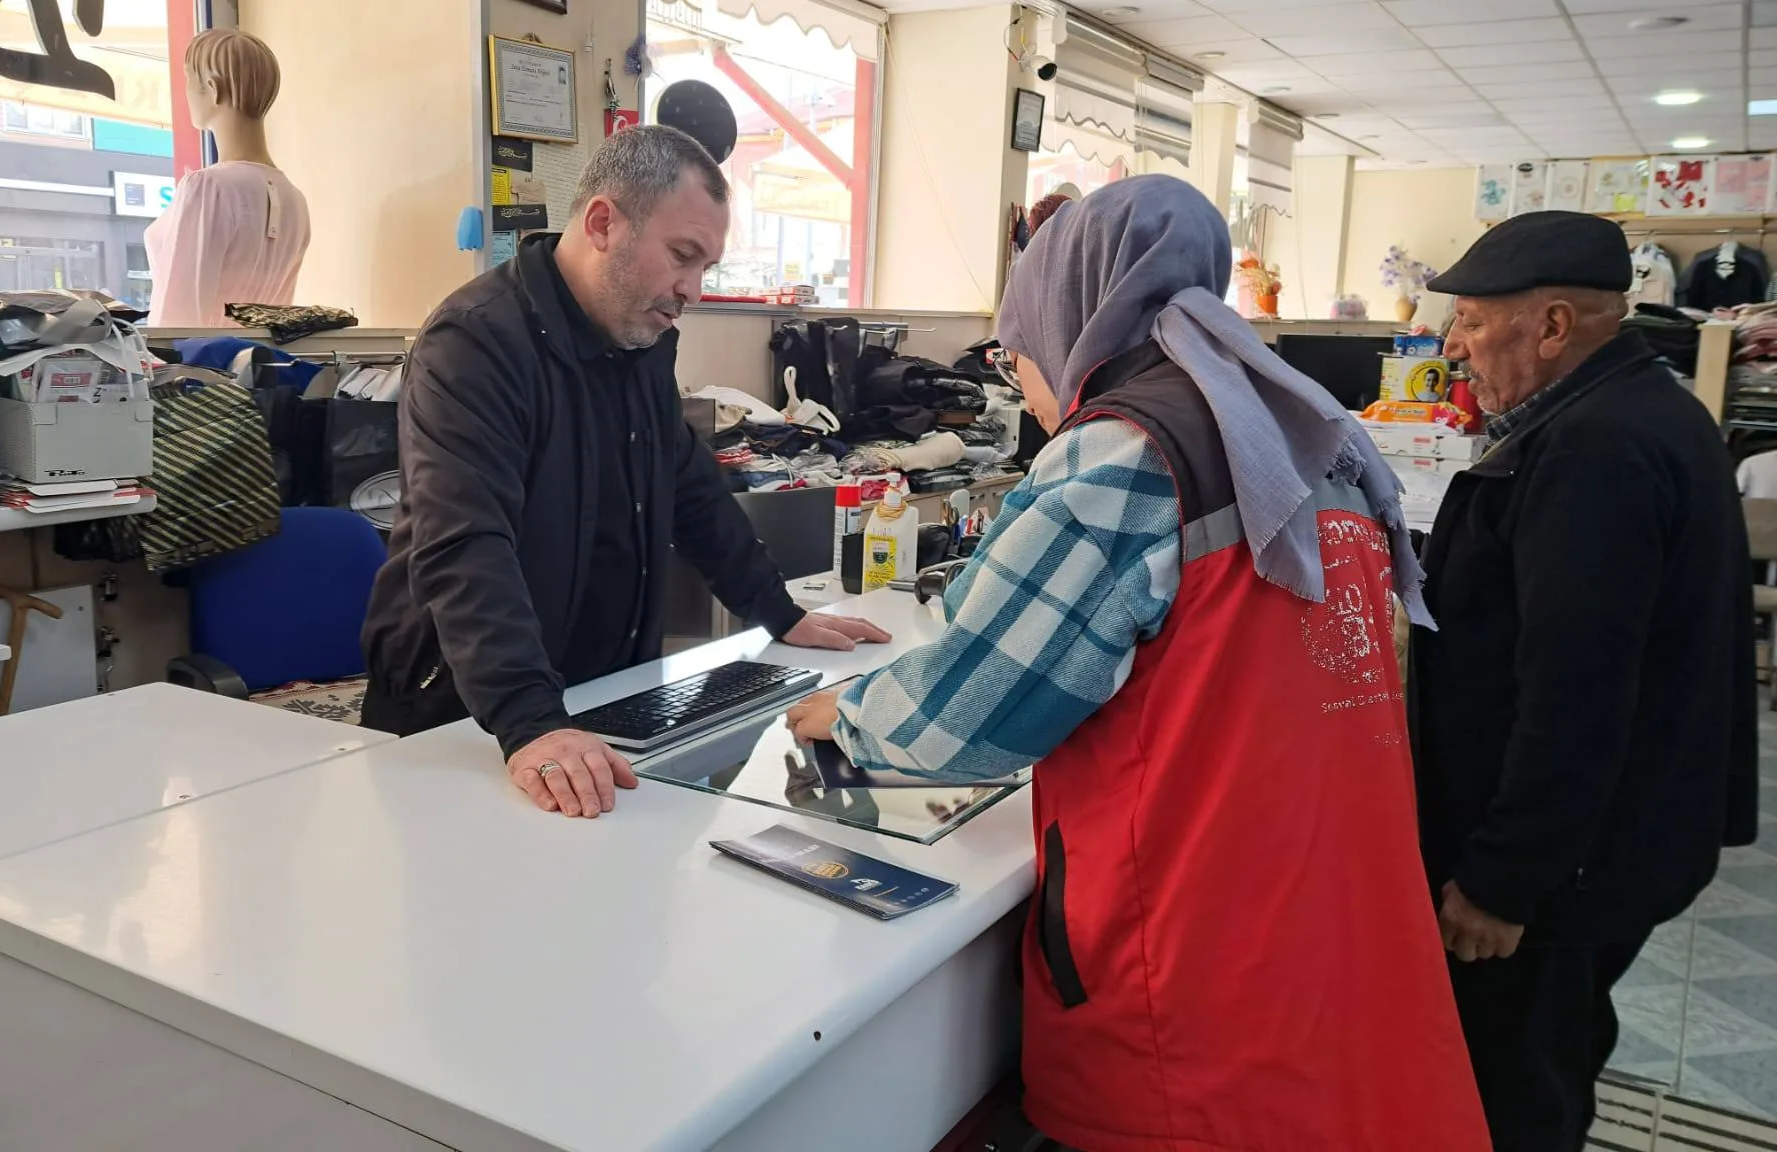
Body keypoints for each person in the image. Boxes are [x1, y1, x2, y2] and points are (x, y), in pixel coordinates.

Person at [786, 174, 1490, 1151]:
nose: (1023, 386)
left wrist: (848, 716)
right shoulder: (1295, 428)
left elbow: (966, 717)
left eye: (1017, 353)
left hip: (1194, 984)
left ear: (1068, 322)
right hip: (1330, 936)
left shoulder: (1120, 452)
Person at [360, 125, 887, 819]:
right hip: (466, 711)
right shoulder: (474, 343)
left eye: (706, 267)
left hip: (598, 699)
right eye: (682, 255)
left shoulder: (642, 334)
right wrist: (530, 719)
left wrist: (776, 610)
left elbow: (689, 486)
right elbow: (465, 544)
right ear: (603, 223)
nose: (691, 289)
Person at [1410, 211, 1758, 1151]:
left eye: (1473, 323)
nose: (1454, 347)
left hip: (1566, 871)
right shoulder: (1636, 410)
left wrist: (1501, 882)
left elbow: (1576, 694)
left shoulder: (1595, 451)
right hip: (1613, 844)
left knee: (1515, 1089)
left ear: (1554, 326)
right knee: (1553, 1053)